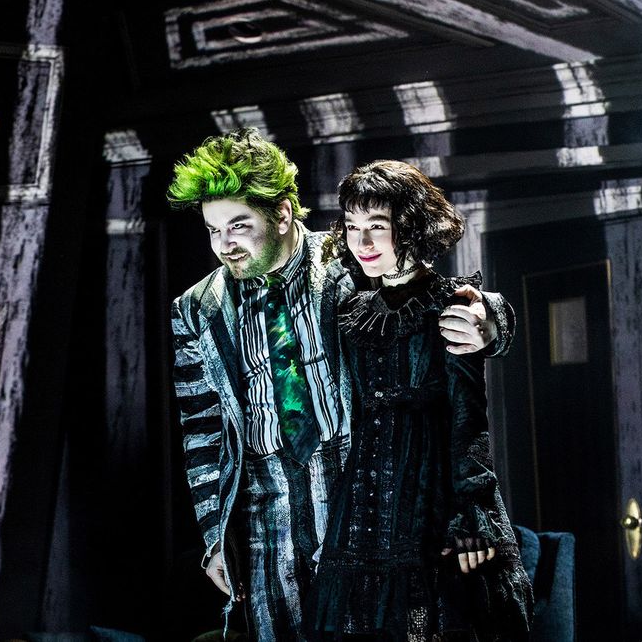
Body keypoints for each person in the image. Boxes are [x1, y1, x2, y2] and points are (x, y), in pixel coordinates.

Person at [167, 129, 514, 641]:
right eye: (213, 230)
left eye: (238, 226)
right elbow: (202, 429)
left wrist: (492, 319)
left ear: (283, 213)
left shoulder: (346, 258)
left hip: (361, 484)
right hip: (266, 507)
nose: (225, 245)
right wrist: (215, 535)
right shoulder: (196, 309)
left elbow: (432, 297)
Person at [304, 160, 533, 641]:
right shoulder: (352, 308)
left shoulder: (449, 304)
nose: (362, 243)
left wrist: (469, 515)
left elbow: (469, 421)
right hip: (360, 502)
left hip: (429, 498)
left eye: (378, 228)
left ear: (409, 227)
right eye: (352, 228)